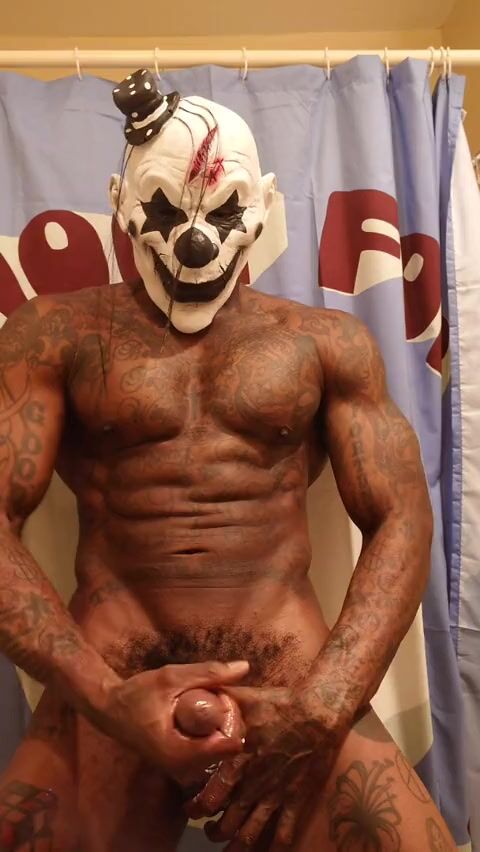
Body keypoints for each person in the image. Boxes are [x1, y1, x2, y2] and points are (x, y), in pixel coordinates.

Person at [0, 69, 455, 851]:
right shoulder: (55, 334)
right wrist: (105, 698)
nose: (196, 240)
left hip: (294, 682)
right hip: (115, 678)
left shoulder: (325, 343)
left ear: (264, 206)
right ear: (121, 202)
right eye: (166, 211)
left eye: (224, 212)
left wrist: (325, 703)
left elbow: (402, 517)